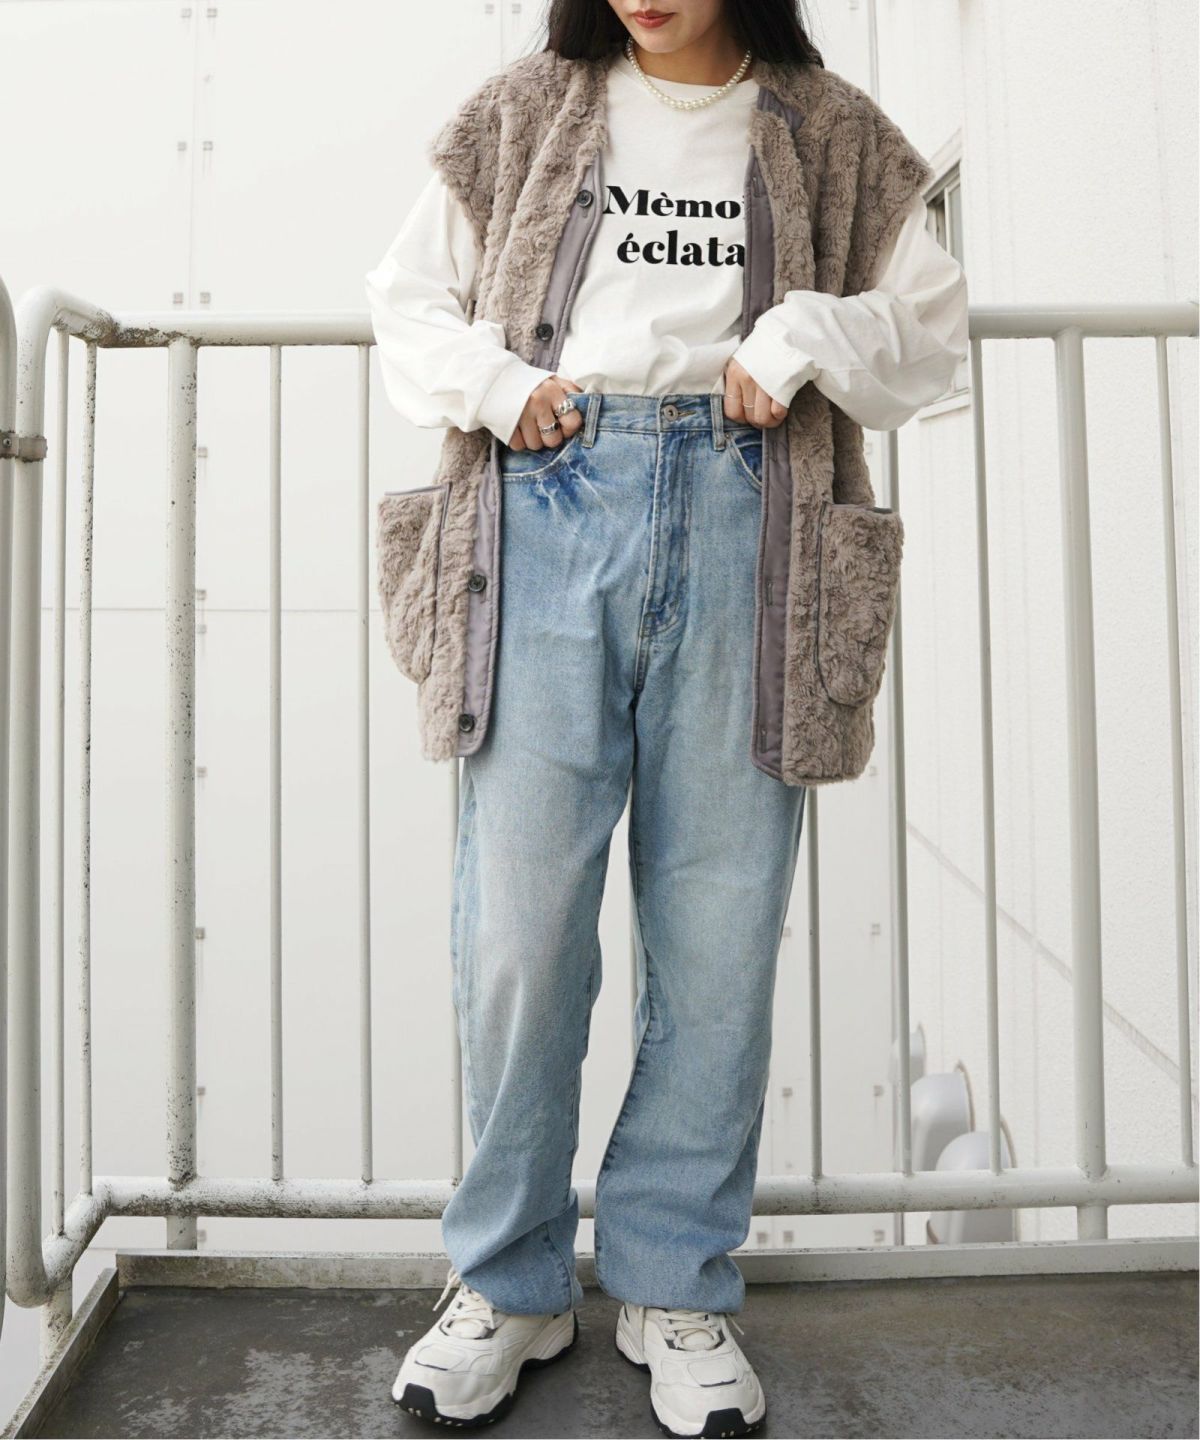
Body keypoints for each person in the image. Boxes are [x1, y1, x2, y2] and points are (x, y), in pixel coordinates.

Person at [365, 1, 968, 1434]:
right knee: (520, 932)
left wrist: (805, 331)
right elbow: (407, 300)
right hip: (545, 510)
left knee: (719, 931)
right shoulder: (525, 109)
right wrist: (500, 384)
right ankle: (506, 1284)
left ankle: (674, 1281)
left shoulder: (832, 128)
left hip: (752, 521)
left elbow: (932, 335)